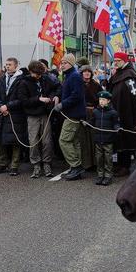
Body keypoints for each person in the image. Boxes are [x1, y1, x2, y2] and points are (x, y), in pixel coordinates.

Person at [17, 60, 59, 179]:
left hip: (45, 114)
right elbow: (23, 101)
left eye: (40, 74)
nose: (39, 76)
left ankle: (47, 163)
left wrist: (53, 97)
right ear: (30, 72)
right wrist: (38, 99)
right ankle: (36, 164)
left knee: (47, 141)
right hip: (32, 115)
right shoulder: (23, 82)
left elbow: (56, 87)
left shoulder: (45, 79)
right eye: (36, 74)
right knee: (33, 141)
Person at [107, 51, 136, 177]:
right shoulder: (119, 73)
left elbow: (134, 96)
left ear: (124, 61)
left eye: (118, 61)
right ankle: (118, 164)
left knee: (125, 138)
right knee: (118, 138)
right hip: (116, 110)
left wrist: (134, 114)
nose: (115, 63)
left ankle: (125, 166)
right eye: (114, 60)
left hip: (126, 112)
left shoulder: (130, 75)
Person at [54, 53, 86, 181]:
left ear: (71, 64)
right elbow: (66, 92)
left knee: (64, 140)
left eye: (64, 63)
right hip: (73, 114)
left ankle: (76, 166)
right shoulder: (69, 76)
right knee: (74, 141)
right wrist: (58, 96)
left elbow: (76, 96)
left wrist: (62, 104)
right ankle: (75, 168)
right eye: (61, 63)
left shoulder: (74, 76)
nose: (62, 65)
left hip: (73, 114)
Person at [0, 57, 26, 176]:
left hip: (15, 114)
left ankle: (14, 165)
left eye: (10, 64)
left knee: (15, 140)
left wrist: (8, 106)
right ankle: (3, 163)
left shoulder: (22, 80)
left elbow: (21, 99)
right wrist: (0, 105)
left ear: (16, 66)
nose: (7, 66)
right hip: (1, 113)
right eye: (6, 64)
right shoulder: (2, 79)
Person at [89, 90, 120, 186]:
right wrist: (87, 124)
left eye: (103, 99)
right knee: (99, 158)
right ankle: (100, 175)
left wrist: (117, 128)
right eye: (100, 99)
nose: (101, 101)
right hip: (98, 139)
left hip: (108, 140)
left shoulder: (113, 113)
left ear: (108, 101)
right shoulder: (95, 112)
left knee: (108, 159)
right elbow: (92, 122)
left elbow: (116, 123)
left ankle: (108, 176)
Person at [80, 64, 101, 171]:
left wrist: (97, 109)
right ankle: (86, 163)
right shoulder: (78, 84)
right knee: (84, 139)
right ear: (81, 73)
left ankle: (96, 163)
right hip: (82, 112)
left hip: (94, 112)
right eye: (84, 71)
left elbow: (101, 98)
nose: (87, 73)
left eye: (88, 71)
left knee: (94, 138)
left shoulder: (96, 85)